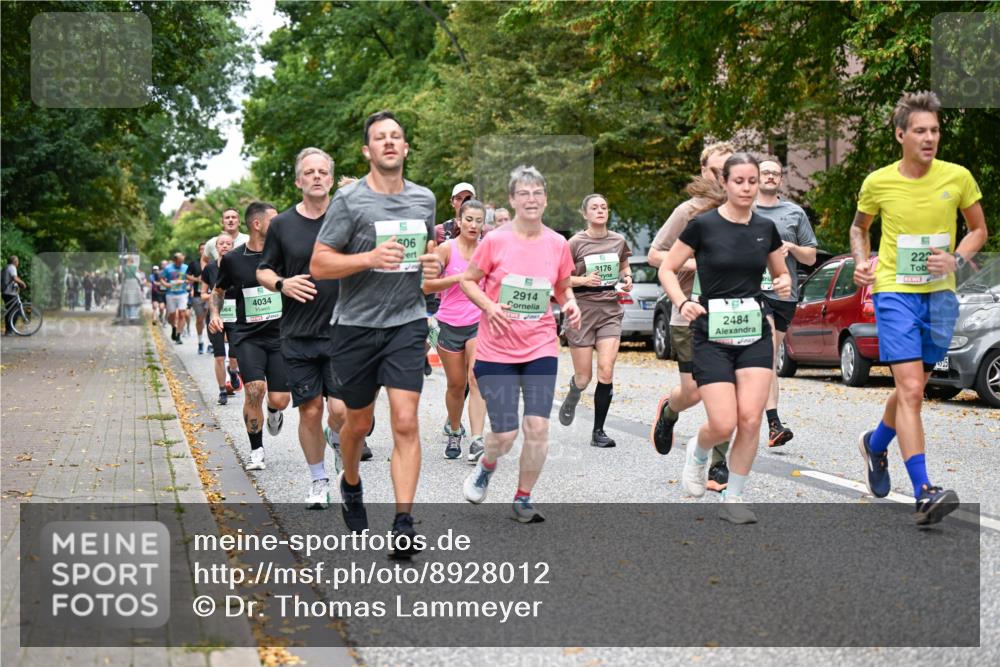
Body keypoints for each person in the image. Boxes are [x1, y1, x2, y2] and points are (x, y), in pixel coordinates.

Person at [851, 91, 986, 526]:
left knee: (913, 386)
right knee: (910, 391)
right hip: (895, 292)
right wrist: (860, 263)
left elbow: (979, 229)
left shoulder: (958, 177)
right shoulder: (879, 182)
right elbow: (860, 227)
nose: (930, 139)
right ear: (900, 135)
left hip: (940, 296)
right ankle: (924, 490)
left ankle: (875, 444)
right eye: (921, 131)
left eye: (935, 131)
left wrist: (958, 259)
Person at [311, 110, 439, 555]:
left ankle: (403, 522)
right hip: (355, 327)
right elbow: (320, 263)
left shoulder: (424, 199)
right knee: (356, 423)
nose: (389, 143)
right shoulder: (349, 201)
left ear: (405, 148)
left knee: (405, 421)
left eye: (396, 137)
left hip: (405, 321)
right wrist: (367, 259)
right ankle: (350, 481)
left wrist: (434, 261)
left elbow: (429, 250)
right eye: (380, 138)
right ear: (367, 150)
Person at [660, 152, 791, 524]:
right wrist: (682, 301)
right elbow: (668, 269)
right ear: (726, 183)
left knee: (750, 420)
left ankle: (734, 496)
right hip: (711, 332)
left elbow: (781, 276)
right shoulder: (703, 226)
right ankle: (699, 451)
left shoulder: (766, 228)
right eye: (739, 181)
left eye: (752, 181)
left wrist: (783, 283)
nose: (747, 187)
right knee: (723, 423)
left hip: (753, 331)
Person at [460, 165, 581, 523]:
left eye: (538, 192)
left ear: (545, 199)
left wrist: (570, 302)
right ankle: (487, 464)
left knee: (538, 427)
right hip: (496, 350)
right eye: (524, 193)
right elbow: (468, 281)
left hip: (541, 344)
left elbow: (562, 286)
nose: (532, 199)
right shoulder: (495, 240)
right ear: (512, 200)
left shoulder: (558, 243)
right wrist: (490, 306)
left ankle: (523, 498)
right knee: (506, 433)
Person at [257, 147, 356, 510]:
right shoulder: (282, 224)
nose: (317, 177)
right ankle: (318, 480)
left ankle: (339, 443)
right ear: (299, 180)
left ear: (331, 179)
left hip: (344, 332)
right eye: (309, 172)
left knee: (343, 411)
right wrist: (282, 284)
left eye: (323, 172)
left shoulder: (349, 219)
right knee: (310, 409)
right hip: (297, 334)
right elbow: (264, 270)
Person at [647, 141, 734, 491]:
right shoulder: (690, 211)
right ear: (703, 171)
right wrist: (696, 263)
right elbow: (655, 254)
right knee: (694, 391)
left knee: (727, 387)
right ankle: (669, 410)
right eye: (716, 170)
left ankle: (719, 464)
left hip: (731, 315)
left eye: (729, 170)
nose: (723, 177)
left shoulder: (745, 209)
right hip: (689, 313)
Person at [209, 203, 291, 470]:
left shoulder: (284, 255)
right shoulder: (233, 259)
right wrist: (214, 314)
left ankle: (273, 411)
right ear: (257, 224)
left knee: (280, 399)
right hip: (248, 336)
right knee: (255, 389)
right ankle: (257, 450)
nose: (280, 225)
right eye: (274, 220)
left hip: (279, 336)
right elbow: (218, 291)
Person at [557, 193, 632, 448]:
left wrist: (628, 278)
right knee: (583, 377)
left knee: (606, 370)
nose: (600, 211)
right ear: (585, 214)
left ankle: (598, 431)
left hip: (610, 309)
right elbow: (561, 279)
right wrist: (583, 280)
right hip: (582, 309)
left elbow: (624, 265)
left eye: (604, 207)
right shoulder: (575, 243)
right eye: (594, 207)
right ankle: (574, 393)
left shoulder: (618, 240)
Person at [755, 155, 817, 447]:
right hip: (752, 293)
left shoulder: (794, 213)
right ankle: (773, 422)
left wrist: (792, 247)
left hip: (784, 295)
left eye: (774, 173)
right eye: (765, 172)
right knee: (767, 351)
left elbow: (811, 256)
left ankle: (761, 413)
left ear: (780, 179)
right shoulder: (744, 209)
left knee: (766, 359)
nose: (770, 177)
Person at [422, 199, 488, 462]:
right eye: (469, 219)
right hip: (449, 324)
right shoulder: (446, 249)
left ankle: (477, 439)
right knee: (456, 386)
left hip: (479, 323)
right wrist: (459, 278)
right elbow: (427, 286)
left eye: (478, 220)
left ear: (484, 225)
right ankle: (454, 428)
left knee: (477, 379)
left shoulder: (488, 251)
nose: (473, 225)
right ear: (459, 222)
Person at [202, 234, 238, 404]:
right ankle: (222, 390)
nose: (224, 246)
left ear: (233, 246)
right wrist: (214, 295)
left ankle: (233, 371)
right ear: (216, 247)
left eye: (228, 243)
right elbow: (202, 293)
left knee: (235, 354)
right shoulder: (209, 269)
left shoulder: (240, 266)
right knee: (219, 356)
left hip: (236, 314)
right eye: (221, 243)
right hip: (216, 314)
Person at [160, 253, 191, 344]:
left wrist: (184, 281)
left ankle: (178, 335)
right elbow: (161, 278)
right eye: (179, 262)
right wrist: (167, 285)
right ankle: (174, 327)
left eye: (182, 261)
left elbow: (190, 278)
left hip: (182, 293)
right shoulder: (168, 268)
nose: (180, 263)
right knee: (171, 316)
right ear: (175, 261)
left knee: (182, 314)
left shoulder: (186, 267)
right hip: (171, 294)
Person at [189, 242, 208, 353]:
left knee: (210, 319)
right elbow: (187, 275)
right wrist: (197, 279)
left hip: (210, 295)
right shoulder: (194, 263)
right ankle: (200, 342)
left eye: (205, 249)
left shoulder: (213, 262)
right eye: (201, 249)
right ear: (199, 251)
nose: (203, 251)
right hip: (198, 295)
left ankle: (211, 343)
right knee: (200, 320)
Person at [3, 255, 27, 334]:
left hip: (5, 292)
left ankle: (8, 330)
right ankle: (10, 330)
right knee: (15, 311)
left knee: (9, 311)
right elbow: (14, 278)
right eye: (17, 261)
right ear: (15, 261)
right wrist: (22, 283)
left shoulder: (6, 267)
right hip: (10, 293)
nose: (18, 263)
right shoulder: (12, 267)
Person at [120, 257, 143, 323]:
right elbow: (139, 277)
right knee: (135, 300)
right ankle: (133, 316)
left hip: (127, 283)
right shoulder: (135, 267)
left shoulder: (123, 268)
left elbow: (122, 277)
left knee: (126, 301)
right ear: (132, 261)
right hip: (134, 283)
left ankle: (127, 316)